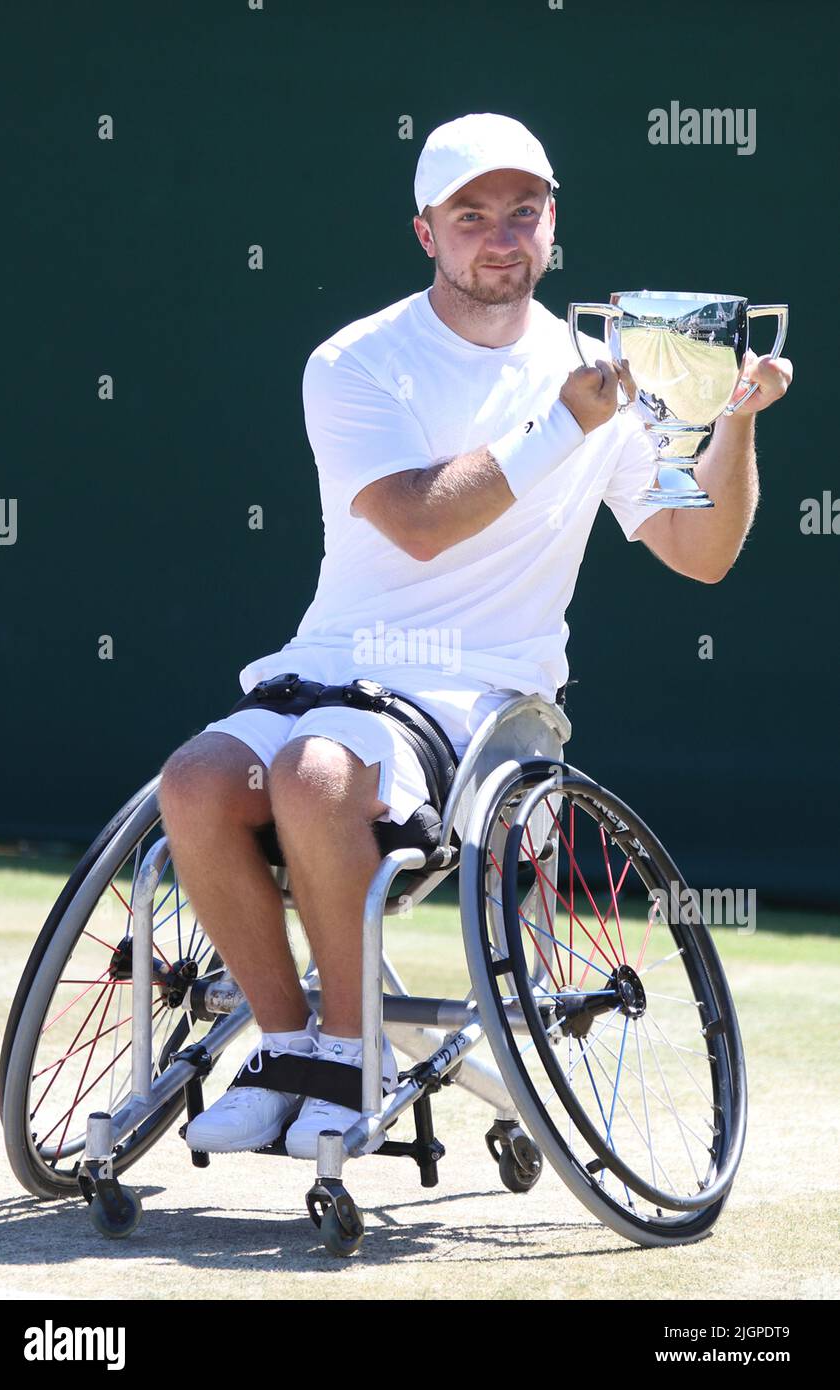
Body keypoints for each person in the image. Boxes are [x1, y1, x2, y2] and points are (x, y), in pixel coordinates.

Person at [157, 112, 792, 1160]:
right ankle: (287, 1042)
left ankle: (347, 1058)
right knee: (194, 779)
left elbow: (699, 550)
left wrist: (734, 420)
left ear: (552, 226)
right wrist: (563, 424)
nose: (499, 236)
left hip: (484, 697)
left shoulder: (611, 372)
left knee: (318, 777)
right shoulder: (354, 361)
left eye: (521, 213)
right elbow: (414, 521)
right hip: (324, 669)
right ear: (426, 235)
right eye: (471, 216)